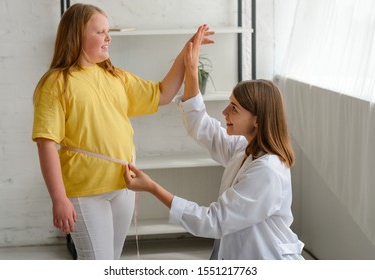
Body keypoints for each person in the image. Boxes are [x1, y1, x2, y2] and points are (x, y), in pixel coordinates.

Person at [31, 3, 214, 260]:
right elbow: (46, 143)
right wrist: (59, 198)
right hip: (85, 191)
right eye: (100, 32)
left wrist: (187, 54)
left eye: (108, 31)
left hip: (124, 186)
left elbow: (162, 94)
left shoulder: (116, 76)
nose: (108, 37)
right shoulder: (57, 83)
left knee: (113, 261)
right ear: (76, 36)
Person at [124, 27, 305, 260]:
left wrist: (152, 188)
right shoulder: (245, 148)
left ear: (257, 120)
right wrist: (190, 70)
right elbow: (200, 124)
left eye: (234, 108)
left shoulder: (267, 171)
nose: (224, 111)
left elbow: (213, 221)